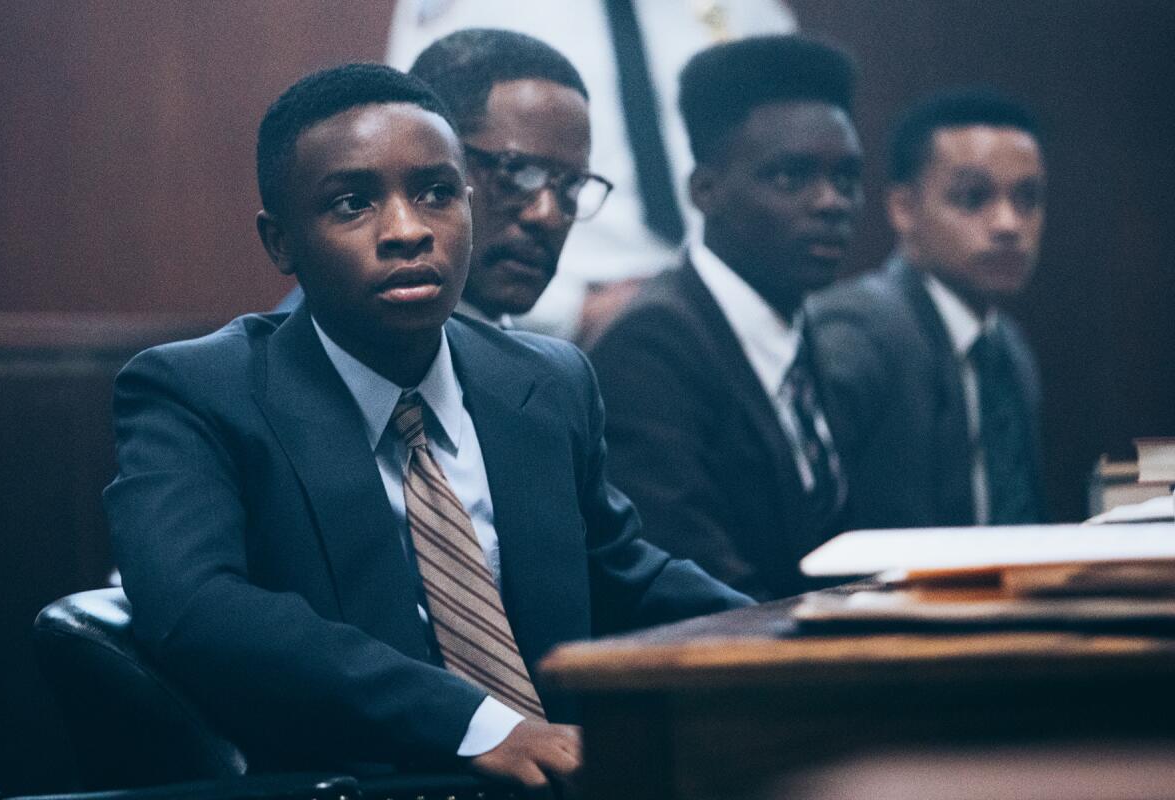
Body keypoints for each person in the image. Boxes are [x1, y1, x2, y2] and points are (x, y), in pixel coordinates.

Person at [105, 63, 750, 792]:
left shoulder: (547, 381)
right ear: (281, 242)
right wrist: (473, 724)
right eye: (352, 204)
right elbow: (195, 609)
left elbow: (624, 577)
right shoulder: (198, 392)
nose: (408, 231)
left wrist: (811, 629)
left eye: (437, 194)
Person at [588, 36, 863, 601]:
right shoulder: (650, 347)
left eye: (845, 178)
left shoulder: (809, 334)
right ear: (704, 190)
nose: (831, 202)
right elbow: (696, 586)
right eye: (791, 177)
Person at [383, 0, 797, 341]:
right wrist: (570, 314)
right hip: (548, 309)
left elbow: (795, 161)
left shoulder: (748, 10)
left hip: (713, 311)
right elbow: (419, 157)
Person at [810, 88, 1047, 529]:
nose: (1009, 224)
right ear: (903, 208)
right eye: (973, 198)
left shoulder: (1007, 346)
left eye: (1027, 199)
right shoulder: (859, 332)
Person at [279, 29, 614, 331]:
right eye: (517, 173)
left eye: (572, 185)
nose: (548, 215)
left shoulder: (552, 376)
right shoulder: (279, 379)